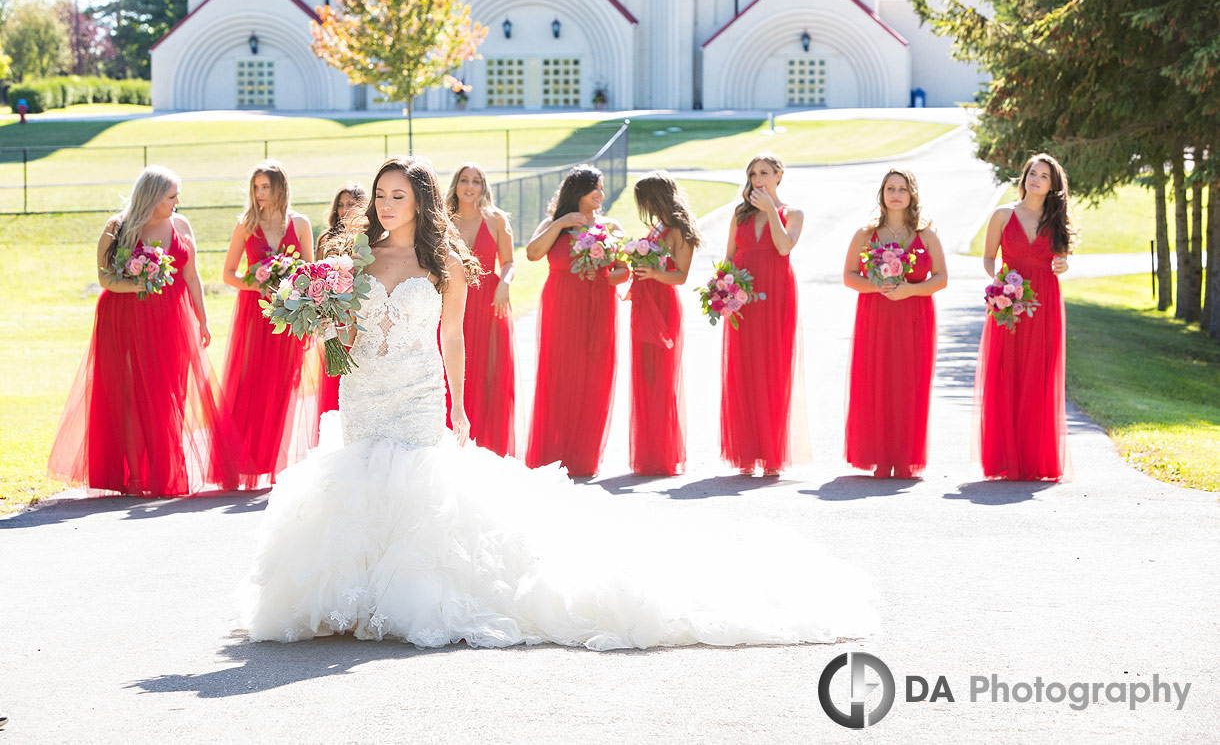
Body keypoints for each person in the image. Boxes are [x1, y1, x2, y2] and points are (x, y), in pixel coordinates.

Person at [238, 156, 879, 650]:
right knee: (359, 487)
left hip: (416, 391)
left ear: (419, 201)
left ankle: (401, 598)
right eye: (379, 194)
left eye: (396, 195)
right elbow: (344, 331)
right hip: (362, 391)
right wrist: (319, 319)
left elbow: (454, 339)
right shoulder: (351, 255)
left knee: (411, 491)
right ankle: (356, 596)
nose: (384, 204)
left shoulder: (443, 264)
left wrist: (458, 406)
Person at [47, 166, 244, 496]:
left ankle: (165, 471)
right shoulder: (118, 228)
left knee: (172, 394)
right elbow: (105, 279)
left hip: (172, 319)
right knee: (130, 396)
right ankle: (136, 478)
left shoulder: (181, 225)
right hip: (125, 319)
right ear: (152, 198)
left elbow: (192, 277)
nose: (177, 202)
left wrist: (203, 320)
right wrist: (138, 283)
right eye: (171, 196)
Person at [975, 153, 1076, 481]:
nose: (1035, 179)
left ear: (1052, 184)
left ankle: (1036, 460)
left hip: (1045, 305)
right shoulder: (1003, 215)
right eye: (1032, 172)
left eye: (1043, 176)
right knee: (1008, 373)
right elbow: (989, 259)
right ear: (1024, 177)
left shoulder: (1057, 220)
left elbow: (1060, 261)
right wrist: (999, 285)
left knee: (1040, 376)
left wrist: (1062, 265)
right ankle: (1007, 457)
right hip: (1009, 306)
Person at [523, 165, 629, 477]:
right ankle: (553, 452)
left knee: (595, 375)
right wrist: (561, 223)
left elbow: (625, 271)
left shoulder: (611, 226)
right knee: (559, 375)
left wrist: (603, 277)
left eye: (601, 187)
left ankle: (584, 456)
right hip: (560, 306)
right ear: (577, 192)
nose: (600, 193)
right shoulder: (553, 223)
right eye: (594, 187)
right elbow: (532, 253)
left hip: (598, 306)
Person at [218, 160, 318, 486]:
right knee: (247, 383)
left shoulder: (300, 224)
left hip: (289, 317)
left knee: (284, 386)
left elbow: (310, 271)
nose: (261, 194)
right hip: (253, 315)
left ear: (281, 187)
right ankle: (241, 463)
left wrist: (292, 285)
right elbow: (228, 274)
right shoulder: (246, 224)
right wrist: (259, 283)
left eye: (266, 187)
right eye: (257, 187)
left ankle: (278, 465)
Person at [842, 169, 947, 479]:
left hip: (915, 316)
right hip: (875, 316)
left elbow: (941, 278)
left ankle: (905, 457)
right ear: (882, 194)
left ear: (912, 194)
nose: (896, 194)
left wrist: (909, 290)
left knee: (909, 384)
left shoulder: (926, 235)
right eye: (890, 188)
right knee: (875, 380)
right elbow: (849, 276)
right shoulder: (865, 234)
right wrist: (880, 286)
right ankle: (878, 457)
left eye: (902, 188)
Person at [720, 153, 811, 476]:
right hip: (743, 299)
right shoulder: (739, 214)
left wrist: (771, 210)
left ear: (779, 175)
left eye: (764, 173)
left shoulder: (793, 213)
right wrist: (722, 293)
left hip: (776, 295)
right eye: (753, 174)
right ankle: (746, 452)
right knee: (743, 368)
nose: (758, 179)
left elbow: (784, 247)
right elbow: (728, 258)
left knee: (773, 367)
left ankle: (772, 453)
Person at [627, 172, 702, 476]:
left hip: (663, 305)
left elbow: (681, 275)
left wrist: (654, 274)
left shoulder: (680, 230)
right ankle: (649, 451)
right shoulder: (658, 226)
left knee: (660, 377)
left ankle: (662, 453)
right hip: (645, 303)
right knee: (645, 376)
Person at [445, 163, 517, 457]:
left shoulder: (497, 219)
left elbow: (510, 261)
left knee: (489, 372)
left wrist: (505, 284)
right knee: (457, 370)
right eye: (464, 180)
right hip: (454, 304)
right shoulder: (444, 220)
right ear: (457, 184)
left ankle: (489, 446)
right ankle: (455, 443)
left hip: (490, 303)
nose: (470, 186)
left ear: (483, 187)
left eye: (476, 181)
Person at [315, 181, 367, 421]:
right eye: (341, 205)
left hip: (361, 314)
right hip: (332, 319)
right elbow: (316, 275)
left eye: (352, 205)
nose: (345, 211)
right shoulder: (326, 239)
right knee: (332, 384)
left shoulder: (368, 239)